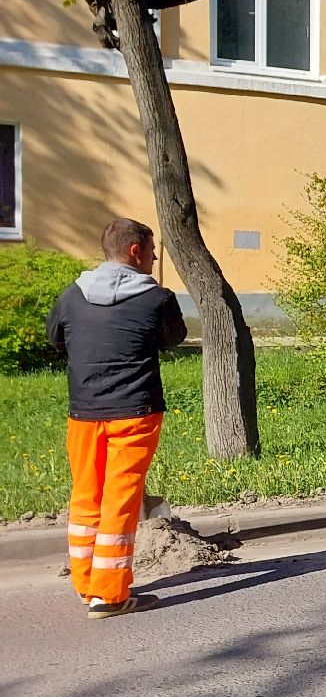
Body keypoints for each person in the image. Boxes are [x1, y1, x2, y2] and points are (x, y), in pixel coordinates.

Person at [46, 218, 187, 619]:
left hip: (84, 412)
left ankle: (87, 582)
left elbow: (56, 338)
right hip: (135, 413)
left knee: (86, 496)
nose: (156, 256)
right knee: (120, 500)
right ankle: (109, 595)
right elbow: (171, 339)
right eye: (153, 249)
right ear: (134, 252)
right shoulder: (157, 298)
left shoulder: (72, 295)